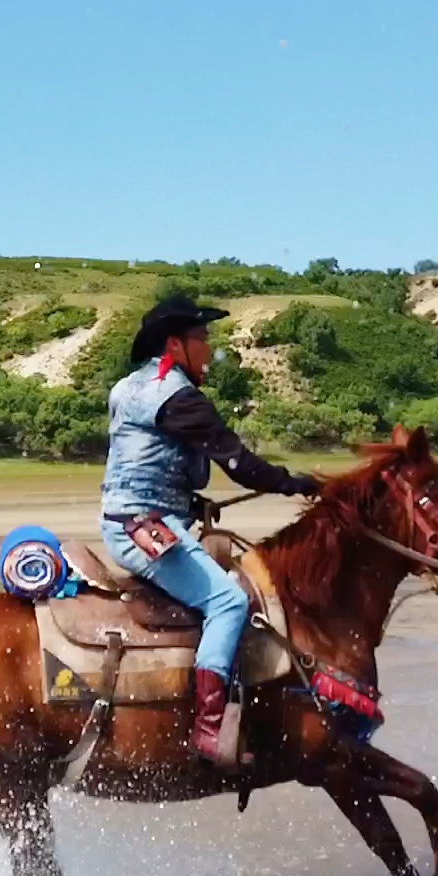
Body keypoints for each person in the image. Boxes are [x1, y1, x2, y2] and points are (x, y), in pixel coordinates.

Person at [100, 295, 321, 763]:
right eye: (203, 339)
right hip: (143, 526)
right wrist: (292, 483)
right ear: (175, 344)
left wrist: (188, 501)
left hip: (137, 515)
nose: (210, 349)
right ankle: (210, 728)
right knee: (228, 600)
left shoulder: (128, 387)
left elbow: (139, 462)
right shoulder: (176, 397)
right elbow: (238, 463)